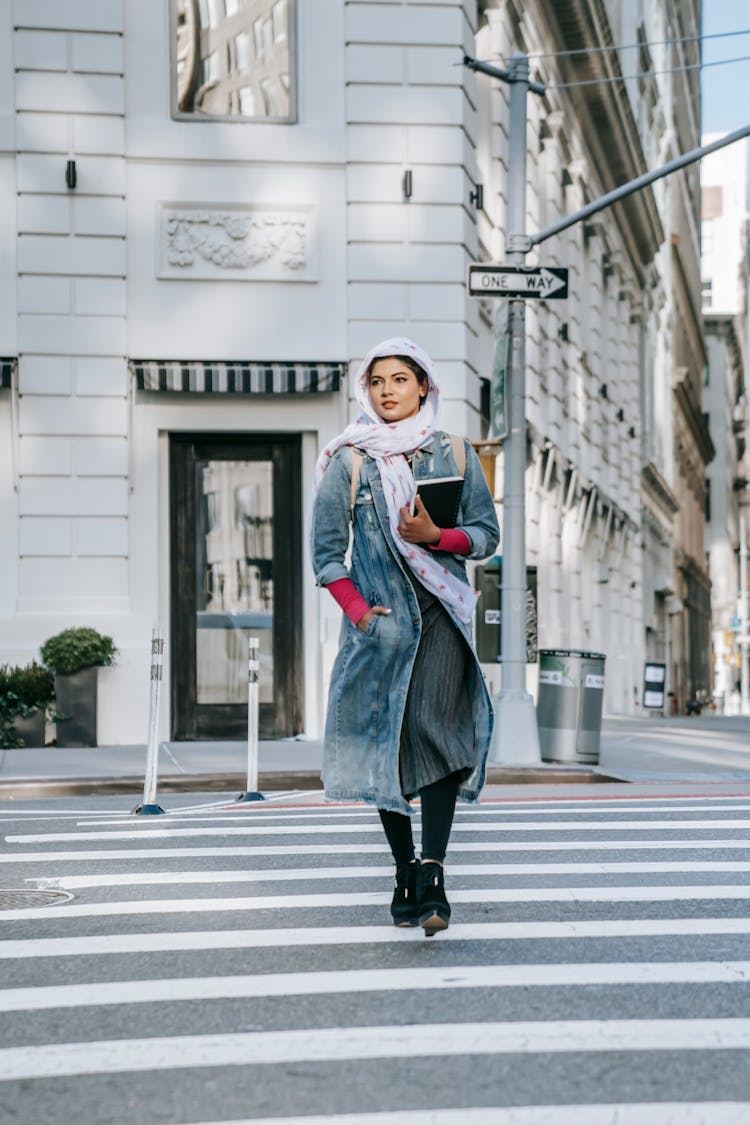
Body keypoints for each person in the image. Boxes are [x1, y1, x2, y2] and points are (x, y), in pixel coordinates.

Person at [310, 337, 500, 936]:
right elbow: (325, 558)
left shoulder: (457, 454)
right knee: (384, 748)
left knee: (441, 740)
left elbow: (486, 537)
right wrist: (362, 616)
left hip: (443, 619)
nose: (387, 391)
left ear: (424, 386)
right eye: (376, 382)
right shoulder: (350, 460)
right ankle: (402, 872)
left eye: (399, 379)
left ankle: (434, 875)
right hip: (382, 628)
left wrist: (434, 537)